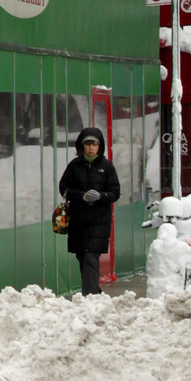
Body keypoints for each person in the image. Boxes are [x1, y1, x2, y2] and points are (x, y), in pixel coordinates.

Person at [59, 125, 121, 295]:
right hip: (78, 221)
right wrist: (81, 196)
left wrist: (100, 196)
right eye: (88, 144)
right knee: (82, 257)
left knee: (90, 258)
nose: (91, 148)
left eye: (94, 144)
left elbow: (115, 193)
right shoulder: (74, 166)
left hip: (99, 222)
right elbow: (64, 188)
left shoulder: (107, 167)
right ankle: (94, 291)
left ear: (99, 146)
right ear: (81, 146)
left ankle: (90, 296)